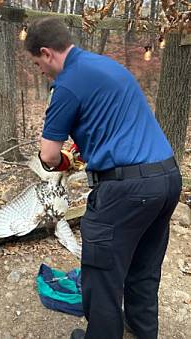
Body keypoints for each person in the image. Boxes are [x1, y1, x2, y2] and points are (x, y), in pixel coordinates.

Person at [24, 17, 182, 339]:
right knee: (144, 266)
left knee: (101, 273)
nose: (40, 70)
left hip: (127, 190)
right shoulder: (106, 67)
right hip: (167, 179)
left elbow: (49, 156)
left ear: (47, 53)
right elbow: (112, 124)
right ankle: (141, 330)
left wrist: (57, 162)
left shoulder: (66, 84)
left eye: (37, 63)